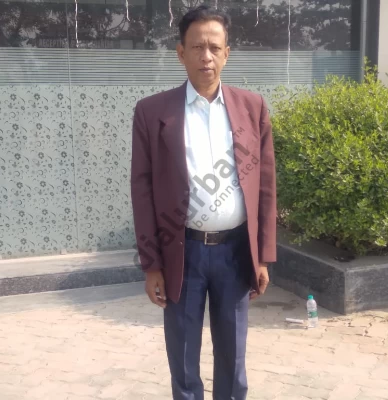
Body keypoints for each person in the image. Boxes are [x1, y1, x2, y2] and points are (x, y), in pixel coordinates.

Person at [131, 5, 277, 400]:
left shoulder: (252, 107)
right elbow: (142, 191)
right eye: (197, 47)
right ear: (181, 53)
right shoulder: (152, 113)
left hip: (235, 252)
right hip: (183, 253)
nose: (206, 56)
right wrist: (152, 264)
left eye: (214, 47)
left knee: (233, 360)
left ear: (227, 53)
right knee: (183, 360)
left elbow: (265, 185)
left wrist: (262, 256)